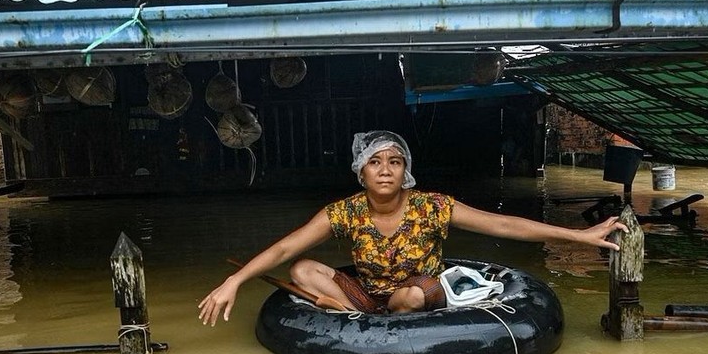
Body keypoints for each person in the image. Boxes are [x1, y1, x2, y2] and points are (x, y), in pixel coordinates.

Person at [199, 130, 627, 325]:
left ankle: (375, 317)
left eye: (395, 161)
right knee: (302, 270)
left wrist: (580, 235)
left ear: (406, 171)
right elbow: (284, 251)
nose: (385, 170)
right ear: (360, 171)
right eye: (374, 162)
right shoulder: (345, 212)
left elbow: (503, 224)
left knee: (409, 295)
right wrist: (234, 281)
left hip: (420, 290)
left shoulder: (432, 206)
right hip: (368, 294)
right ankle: (356, 314)